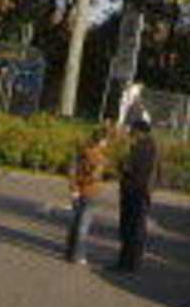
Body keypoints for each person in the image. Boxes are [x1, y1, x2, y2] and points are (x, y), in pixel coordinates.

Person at [111, 110, 158, 272]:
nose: (130, 133)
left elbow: (129, 167)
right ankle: (130, 262)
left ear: (139, 132)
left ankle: (127, 263)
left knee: (131, 229)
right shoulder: (151, 147)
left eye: (133, 130)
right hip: (140, 193)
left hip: (135, 193)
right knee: (135, 228)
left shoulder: (142, 148)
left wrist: (122, 164)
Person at [65, 122, 113, 263]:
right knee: (84, 225)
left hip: (77, 190)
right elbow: (94, 176)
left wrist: (74, 187)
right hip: (91, 191)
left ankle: (70, 251)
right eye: (106, 140)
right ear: (102, 140)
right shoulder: (98, 157)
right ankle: (78, 255)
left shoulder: (81, 151)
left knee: (75, 222)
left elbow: (72, 169)